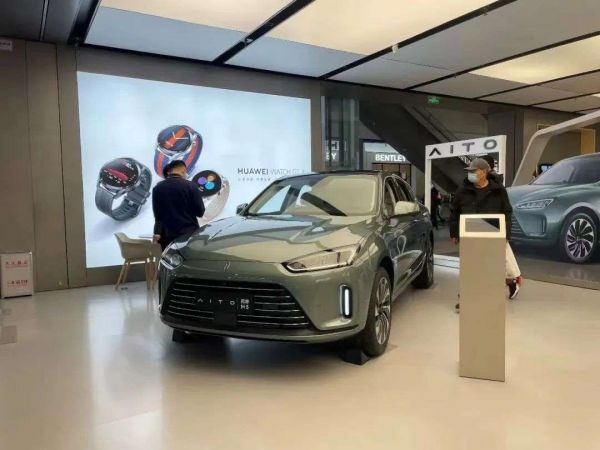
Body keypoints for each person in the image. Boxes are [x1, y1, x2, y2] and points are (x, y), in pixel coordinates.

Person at [450, 158, 523, 312]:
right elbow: (455, 211)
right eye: (469, 171)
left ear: (484, 172)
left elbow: (507, 212)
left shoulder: (498, 190)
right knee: (470, 267)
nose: (470, 174)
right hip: (469, 233)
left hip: (492, 233)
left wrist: (505, 234)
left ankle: (508, 284)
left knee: (491, 268)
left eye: (473, 171)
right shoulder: (463, 189)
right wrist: (454, 232)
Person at [152, 160, 205, 250]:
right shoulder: (191, 186)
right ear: (183, 171)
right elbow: (200, 212)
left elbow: (158, 216)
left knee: (172, 259)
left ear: (169, 172)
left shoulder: (157, 188)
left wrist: (157, 233)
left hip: (167, 237)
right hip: (189, 235)